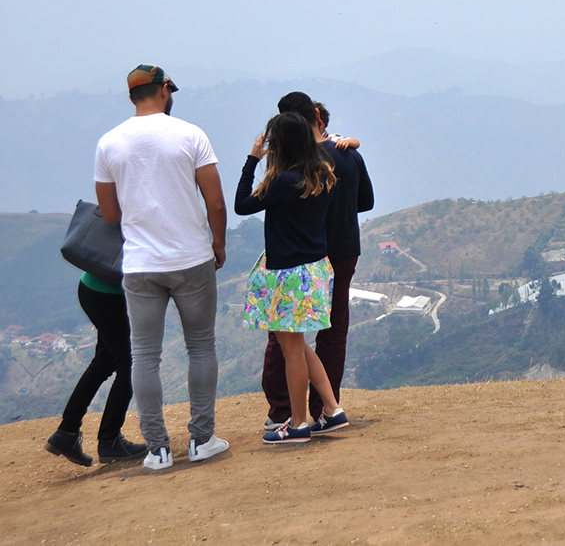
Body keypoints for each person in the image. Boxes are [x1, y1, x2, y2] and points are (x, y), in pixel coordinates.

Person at [94, 65, 229, 471]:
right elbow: (216, 203)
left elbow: (109, 213)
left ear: (132, 96)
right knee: (201, 346)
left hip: (140, 265)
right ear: (165, 90)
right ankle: (202, 440)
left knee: (144, 355)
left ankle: (158, 449)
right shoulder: (191, 134)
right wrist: (218, 245)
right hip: (191, 258)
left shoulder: (109, 143)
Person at [235, 111, 349, 443]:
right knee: (297, 344)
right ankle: (331, 408)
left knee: (291, 349)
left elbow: (242, 204)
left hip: (286, 275)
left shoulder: (283, 182)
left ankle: (298, 424)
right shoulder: (324, 173)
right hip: (314, 270)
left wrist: (251, 161)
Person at [261, 92, 373, 429]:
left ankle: (282, 412)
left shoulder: (293, 165)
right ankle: (325, 409)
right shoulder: (348, 156)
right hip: (345, 251)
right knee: (334, 331)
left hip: (303, 255)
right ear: (317, 116)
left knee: (285, 334)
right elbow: (365, 202)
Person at [44, 271, 147, 467]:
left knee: (105, 360)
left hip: (92, 286)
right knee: (129, 365)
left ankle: (66, 433)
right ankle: (110, 440)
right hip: (111, 294)